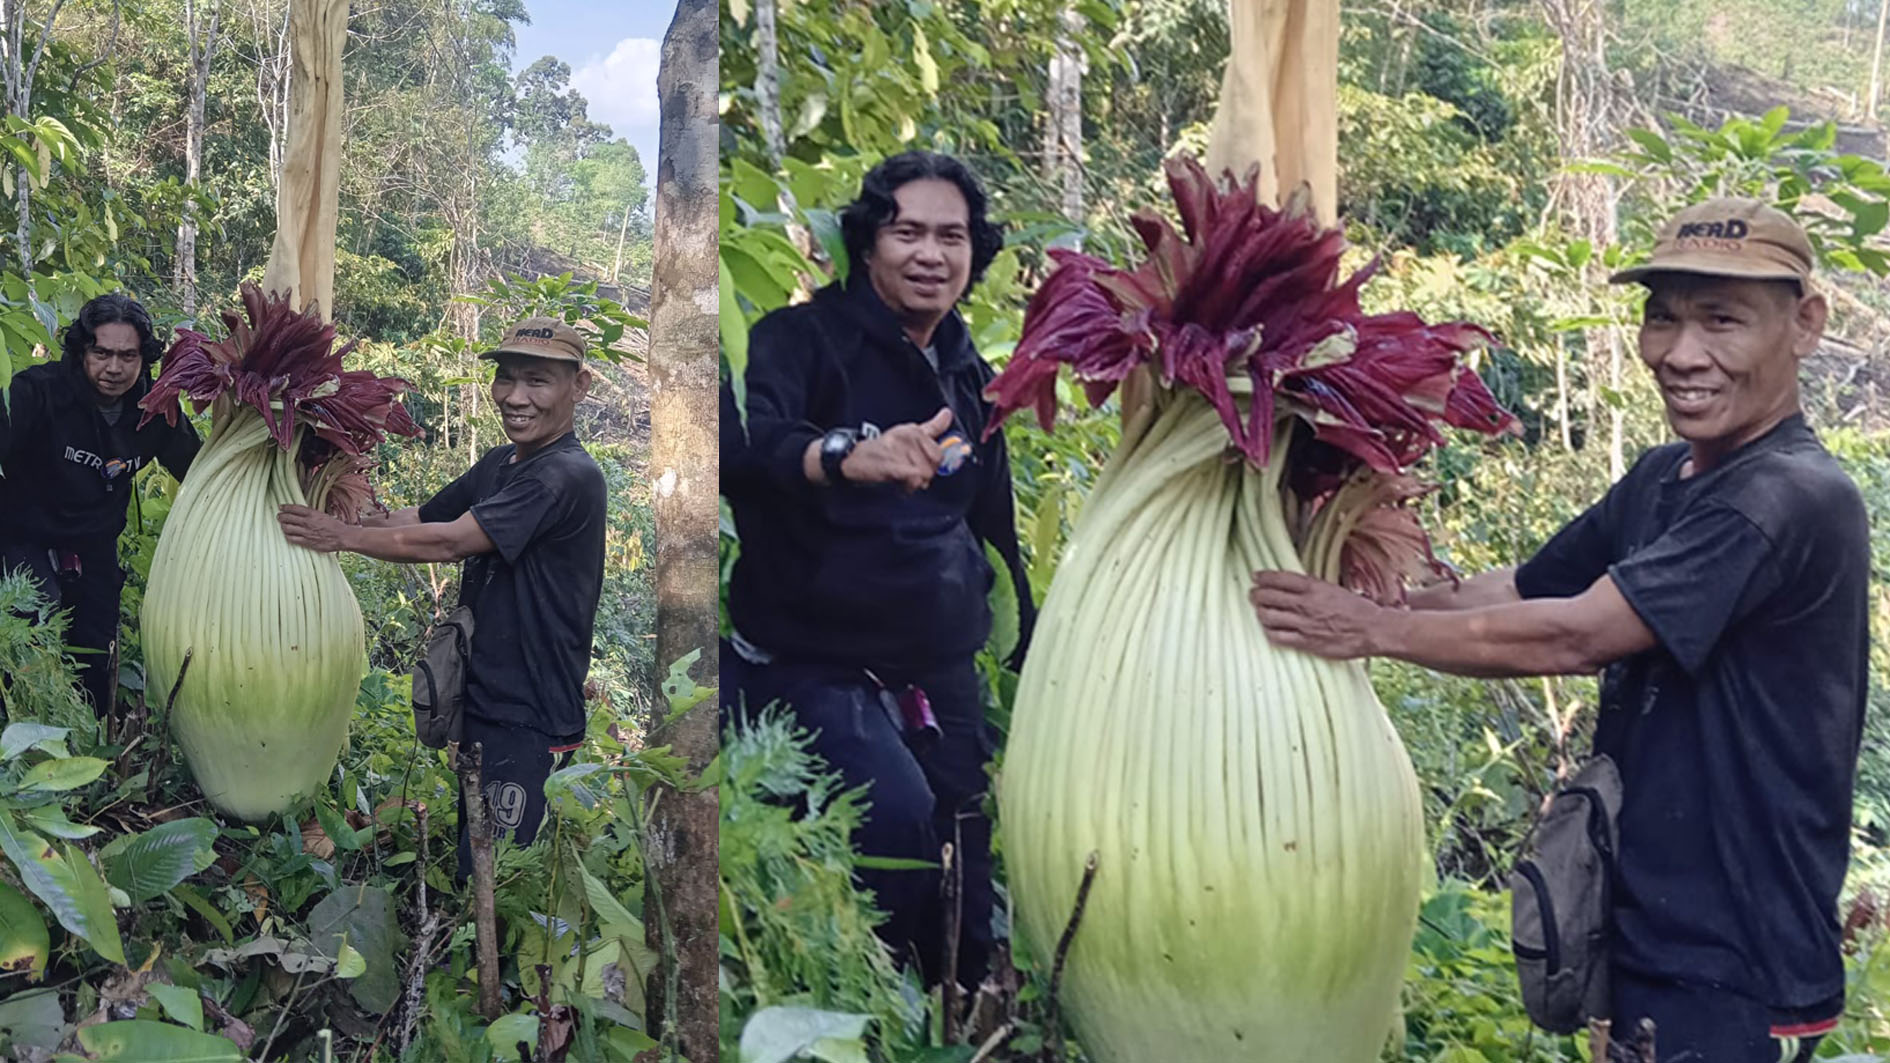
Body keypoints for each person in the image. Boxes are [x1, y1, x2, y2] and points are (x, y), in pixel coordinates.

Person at [1250, 198, 1864, 1063]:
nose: (1682, 355)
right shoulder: (1662, 477)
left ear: (1805, 324)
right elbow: (1522, 589)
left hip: (1735, 971)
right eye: (1663, 318)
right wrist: (1361, 598)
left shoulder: (1788, 496)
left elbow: (1574, 634)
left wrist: (1365, 632)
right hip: (1648, 946)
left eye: (1723, 321)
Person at [720, 150, 1036, 992]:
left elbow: (992, 518)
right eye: (908, 232)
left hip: (937, 660)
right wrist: (846, 453)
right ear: (867, 244)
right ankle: (873, 1010)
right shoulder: (796, 340)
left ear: (974, 253)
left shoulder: (970, 371)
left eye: (952, 236)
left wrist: (1030, 636)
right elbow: (742, 448)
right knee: (895, 828)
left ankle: (959, 1015)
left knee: (966, 844)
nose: (931, 253)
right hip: (811, 658)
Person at [278, 317, 607, 879]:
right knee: (471, 855)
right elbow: (423, 518)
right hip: (484, 698)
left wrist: (345, 538)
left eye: (537, 381)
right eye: (505, 379)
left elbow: (452, 541)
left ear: (579, 386)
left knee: (501, 875)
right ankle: (462, 950)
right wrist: (345, 508)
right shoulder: (503, 465)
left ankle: (501, 966)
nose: (514, 397)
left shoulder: (565, 476)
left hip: (530, 714)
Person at [0, 294, 201, 715]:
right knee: (31, 632)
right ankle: (22, 735)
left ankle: (89, 743)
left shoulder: (155, 409)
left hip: (94, 543)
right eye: (102, 353)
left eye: (128, 356)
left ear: (143, 358)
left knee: (96, 655)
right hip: (24, 533)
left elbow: (199, 470)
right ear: (81, 351)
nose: (114, 368)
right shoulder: (37, 392)